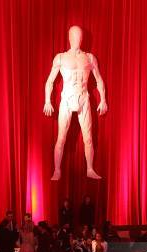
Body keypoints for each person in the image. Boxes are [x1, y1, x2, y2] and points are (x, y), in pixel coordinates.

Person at [44, 25, 108, 180]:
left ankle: (90, 169)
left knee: (88, 137)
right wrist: (47, 100)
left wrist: (103, 99)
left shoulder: (90, 58)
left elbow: (99, 79)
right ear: (69, 38)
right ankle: (57, 170)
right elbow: (50, 81)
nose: (76, 39)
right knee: (61, 137)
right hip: (67, 98)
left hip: (84, 97)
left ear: (81, 39)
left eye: (79, 36)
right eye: (73, 36)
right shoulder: (60, 58)